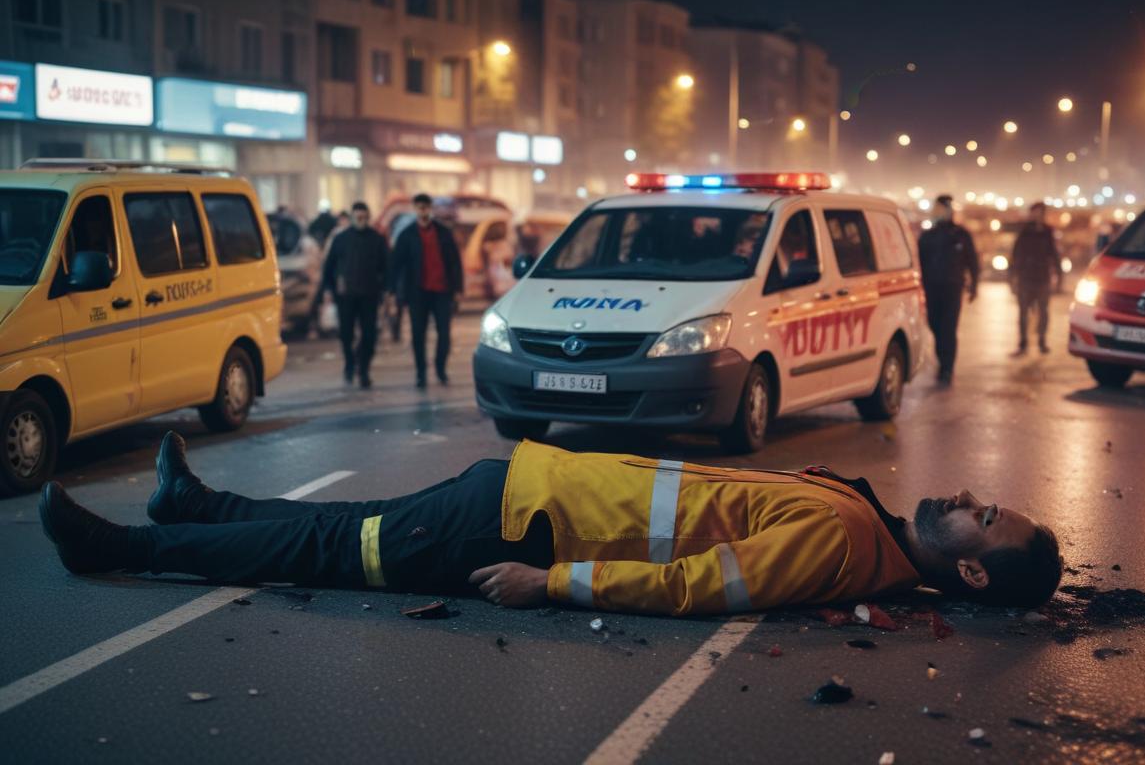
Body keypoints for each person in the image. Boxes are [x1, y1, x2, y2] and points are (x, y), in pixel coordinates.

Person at [38, 433, 1064, 614]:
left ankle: (126, 547)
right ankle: (194, 506)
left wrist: (553, 586)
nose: (966, 498)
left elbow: (695, 588)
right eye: (983, 499)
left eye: (982, 521)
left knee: (323, 545)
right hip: (535, 493)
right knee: (342, 522)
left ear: (971, 573)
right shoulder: (870, 522)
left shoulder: (850, 549)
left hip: (529, 539)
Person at [391, 194, 463, 388]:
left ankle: (440, 369)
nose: (423, 211)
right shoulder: (407, 235)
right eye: (420, 207)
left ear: (430, 208)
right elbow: (396, 265)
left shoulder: (444, 233)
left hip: (442, 291)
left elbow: (455, 262)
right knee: (418, 334)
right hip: (417, 293)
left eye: (426, 207)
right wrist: (393, 292)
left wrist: (457, 289)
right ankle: (421, 372)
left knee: (444, 334)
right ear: (415, 209)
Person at [314, 202, 389, 387]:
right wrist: (329, 290)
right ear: (352, 217)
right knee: (346, 334)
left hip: (370, 296)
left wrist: (385, 290)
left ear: (368, 217)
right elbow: (329, 267)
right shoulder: (341, 239)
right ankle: (349, 363)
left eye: (364, 217)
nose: (361, 221)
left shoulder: (377, 239)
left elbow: (387, 267)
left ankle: (363, 370)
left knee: (369, 335)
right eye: (358, 217)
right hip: (345, 296)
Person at [918, 195, 980, 384]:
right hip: (932, 287)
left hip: (953, 287)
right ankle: (942, 360)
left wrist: (974, 286)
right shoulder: (928, 236)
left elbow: (972, 261)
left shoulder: (961, 234)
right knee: (934, 324)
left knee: (948, 328)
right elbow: (919, 261)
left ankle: (947, 368)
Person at [1009, 202, 1064, 355]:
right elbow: (1015, 254)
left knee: (1043, 311)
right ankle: (1023, 343)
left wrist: (1059, 276)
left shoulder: (1047, 231)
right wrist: (1012, 277)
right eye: (1036, 212)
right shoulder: (1024, 231)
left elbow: (1054, 254)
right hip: (1025, 278)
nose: (1038, 215)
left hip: (1042, 278)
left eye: (1041, 212)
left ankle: (1042, 341)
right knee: (1023, 313)